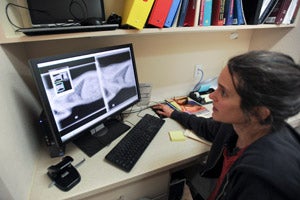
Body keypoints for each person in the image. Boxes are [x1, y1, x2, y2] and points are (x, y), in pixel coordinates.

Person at [153, 50, 300, 200]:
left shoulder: (260, 181)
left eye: (223, 92)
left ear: (259, 112)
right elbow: (209, 128)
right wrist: (174, 113)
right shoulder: (239, 124)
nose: (211, 96)